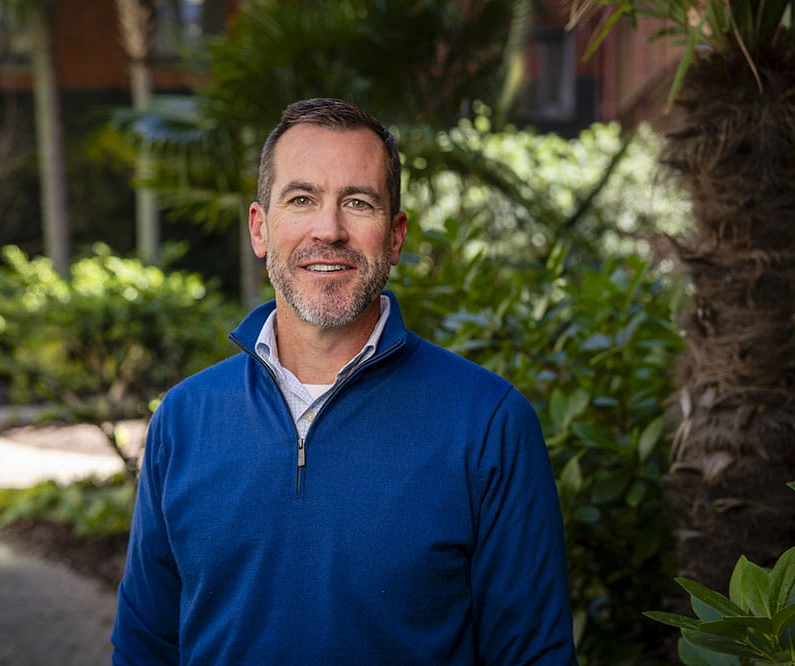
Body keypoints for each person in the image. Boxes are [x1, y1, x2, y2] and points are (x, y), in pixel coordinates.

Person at [111, 98, 576, 665]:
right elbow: (145, 649)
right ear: (260, 228)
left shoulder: (488, 422)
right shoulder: (183, 420)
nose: (328, 230)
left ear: (396, 235)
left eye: (358, 202)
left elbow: (534, 656)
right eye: (302, 199)